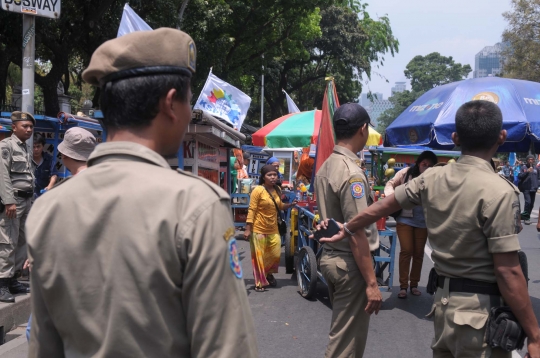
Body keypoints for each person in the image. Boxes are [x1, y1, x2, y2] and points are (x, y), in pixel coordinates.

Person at [26, 28, 258, 357]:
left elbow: (43, 346)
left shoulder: (47, 210)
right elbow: (228, 347)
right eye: (188, 99)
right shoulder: (196, 206)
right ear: (170, 103)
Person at [318, 100, 540, 358]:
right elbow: (508, 271)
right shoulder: (501, 191)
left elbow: (384, 206)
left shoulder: (431, 177)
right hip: (481, 315)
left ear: (455, 137)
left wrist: (348, 226)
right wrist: (534, 334)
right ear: (502, 137)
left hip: (443, 309)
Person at [315, 103, 381, 358]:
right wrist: (372, 282)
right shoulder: (351, 173)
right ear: (363, 129)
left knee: (343, 334)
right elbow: (356, 233)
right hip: (348, 262)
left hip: (331, 257)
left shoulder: (326, 166)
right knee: (345, 345)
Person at [25, 126, 97, 343]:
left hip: (65, 271)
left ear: (65, 155)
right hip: (99, 273)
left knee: (36, 331)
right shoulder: (109, 184)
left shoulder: (61, 193)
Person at [385, 151, 437, 298]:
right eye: (424, 164)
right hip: (405, 218)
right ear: (419, 163)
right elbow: (390, 184)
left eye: (430, 165)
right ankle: (403, 286)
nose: (426, 167)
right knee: (406, 250)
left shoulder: (435, 177)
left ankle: (414, 284)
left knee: (419, 253)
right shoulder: (406, 172)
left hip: (423, 221)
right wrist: (392, 197)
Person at [244, 164, 296, 292]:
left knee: (274, 254)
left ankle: (268, 274)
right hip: (258, 229)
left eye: (275, 175)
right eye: (269, 175)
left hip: (273, 228)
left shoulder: (277, 189)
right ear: (263, 177)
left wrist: (289, 205)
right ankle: (260, 282)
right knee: (259, 257)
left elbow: (279, 205)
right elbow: (252, 210)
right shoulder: (258, 190)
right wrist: (248, 228)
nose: (273, 177)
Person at [0, 111, 34, 303]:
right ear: (14, 127)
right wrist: (9, 201)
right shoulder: (6, 146)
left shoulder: (25, 147)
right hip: (14, 201)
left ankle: (13, 278)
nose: (29, 129)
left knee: (22, 240)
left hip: (27, 200)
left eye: (30, 127)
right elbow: (2, 175)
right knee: (8, 240)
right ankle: (2, 283)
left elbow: (28, 175)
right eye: (25, 126)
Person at [518, 154, 540, 225]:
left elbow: (538, 177)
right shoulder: (523, 167)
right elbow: (520, 176)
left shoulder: (536, 168)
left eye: (532, 159)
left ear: (533, 160)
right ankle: (526, 218)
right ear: (527, 160)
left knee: (532, 204)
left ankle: (527, 216)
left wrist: (537, 184)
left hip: (534, 188)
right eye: (529, 159)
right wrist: (527, 171)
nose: (530, 161)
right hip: (526, 188)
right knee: (528, 202)